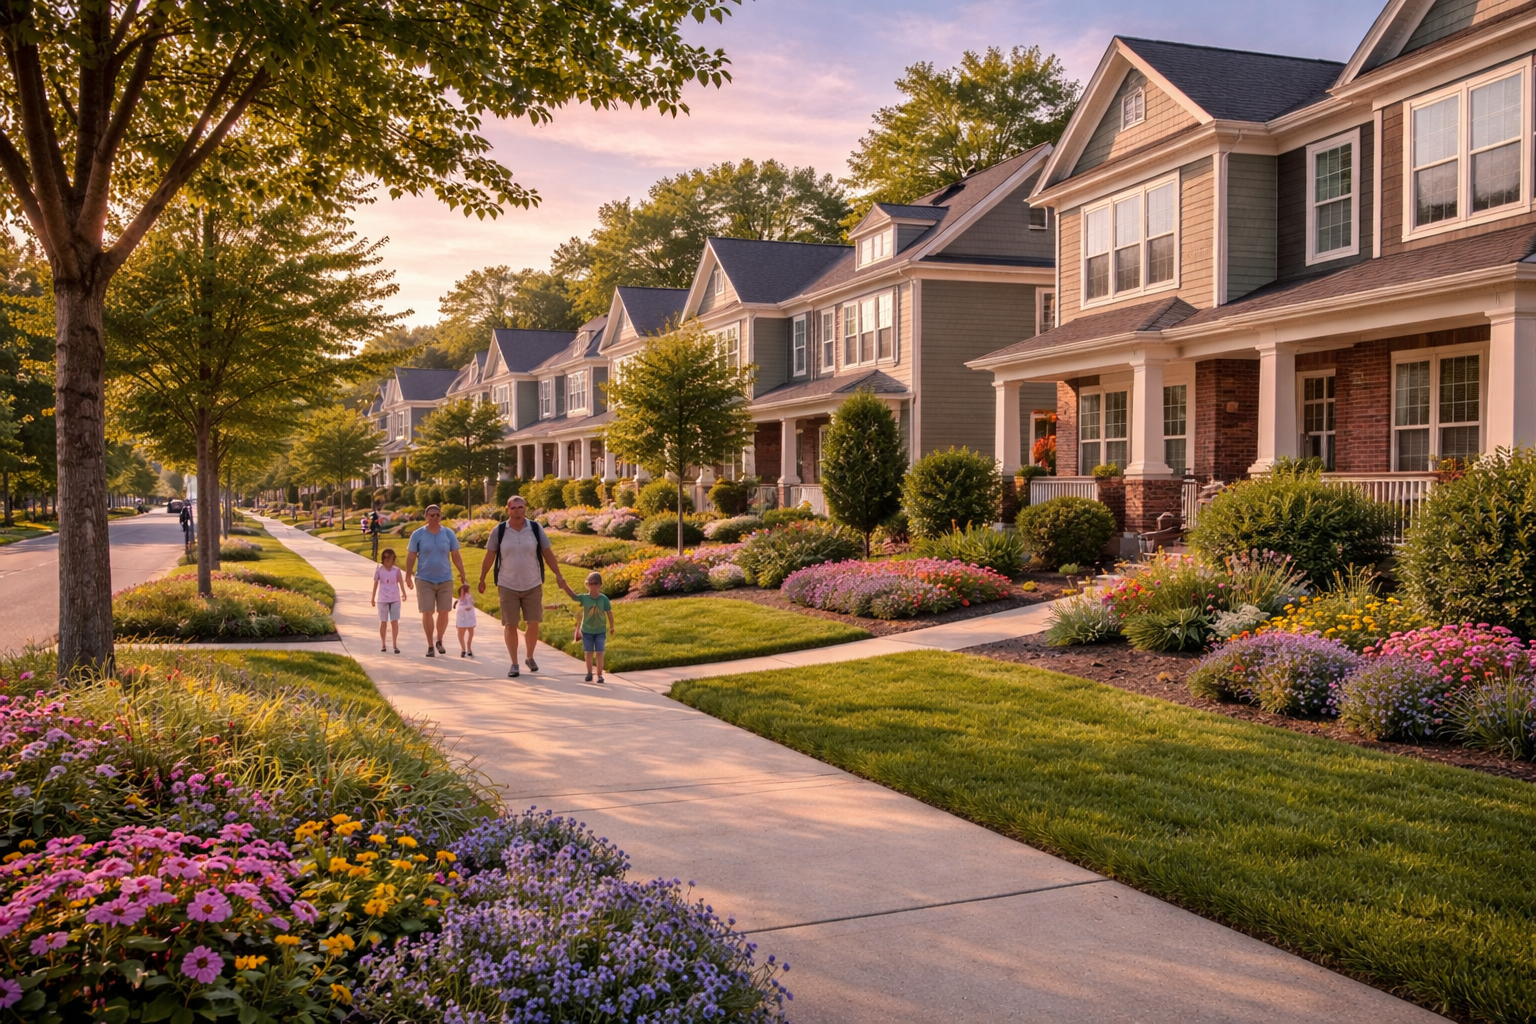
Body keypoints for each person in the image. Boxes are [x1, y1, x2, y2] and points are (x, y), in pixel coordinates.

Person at [477, 495, 576, 678]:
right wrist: (482, 578)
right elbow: (489, 556)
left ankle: (529, 656)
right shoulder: (499, 531)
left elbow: (547, 553)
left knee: (533, 622)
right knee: (510, 624)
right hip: (507, 584)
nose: (517, 511)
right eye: (513, 508)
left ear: (525, 508)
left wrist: (558, 575)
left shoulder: (535, 529)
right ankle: (514, 663)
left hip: (532, 583)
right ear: (508, 510)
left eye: (520, 507)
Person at [405, 504, 467, 658]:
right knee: (427, 611)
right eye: (431, 515)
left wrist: (462, 574)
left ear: (441, 517)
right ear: (426, 517)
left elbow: (456, 555)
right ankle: (430, 645)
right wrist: (408, 575)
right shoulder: (417, 535)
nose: (434, 518)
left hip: (445, 579)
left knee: (444, 611)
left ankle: (439, 639)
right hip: (424, 579)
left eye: (437, 515)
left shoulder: (448, 533)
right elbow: (411, 555)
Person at [573, 570, 615, 685]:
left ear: (599, 585)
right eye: (589, 584)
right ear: (587, 585)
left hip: (600, 631)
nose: (592, 586)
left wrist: (612, 627)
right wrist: (563, 585)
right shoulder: (584, 598)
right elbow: (573, 597)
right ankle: (589, 673)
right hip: (586, 631)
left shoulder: (604, 599)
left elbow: (609, 613)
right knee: (588, 652)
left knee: (600, 652)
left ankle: (600, 675)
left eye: (595, 583)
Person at [371, 548, 410, 653]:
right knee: (383, 622)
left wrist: (404, 593)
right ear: (383, 559)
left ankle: (394, 644)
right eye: (386, 558)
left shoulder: (396, 570)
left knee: (394, 621)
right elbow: (375, 583)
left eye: (391, 559)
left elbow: (400, 582)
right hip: (382, 599)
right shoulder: (379, 570)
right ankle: (383, 643)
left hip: (395, 598)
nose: (388, 561)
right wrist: (373, 598)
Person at [454, 584, 478, 657]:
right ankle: (463, 649)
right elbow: (459, 607)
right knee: (461, 633)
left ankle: (469, 647)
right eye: (463, 592)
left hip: (470, 618)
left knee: (471, 632)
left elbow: (472, 603)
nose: (465, 594)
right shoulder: (459, 601)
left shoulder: (469, 598)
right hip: (462, 618)